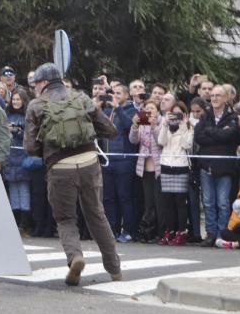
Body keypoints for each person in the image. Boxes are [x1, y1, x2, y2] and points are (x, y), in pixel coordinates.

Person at [23, 62, 120, 286]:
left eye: (35, 83)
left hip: (59, 168)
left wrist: (48, 149)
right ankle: (115, 269)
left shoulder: (36, 106)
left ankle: (75, 257)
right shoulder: (82, 98)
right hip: (89, 163)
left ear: (44, 83)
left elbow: (30, 147)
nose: (34, 87)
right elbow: (109, 130)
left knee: (66, 218)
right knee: (96, 215)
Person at [194, 85, 240, 246]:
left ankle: (222, 233)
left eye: (218, 95)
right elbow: (199, 137)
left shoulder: (233, 117)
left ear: (226, 98)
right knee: (208, 202)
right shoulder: (205, 115)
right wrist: (218, 133)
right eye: (212, 95)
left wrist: (211, 132)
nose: (214, 98)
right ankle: (211, 233)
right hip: (206, 166)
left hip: (225, 167)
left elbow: (230, 136)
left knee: (223, 202)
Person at [102, 83, 137, 243]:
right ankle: (112, 228)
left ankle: (128, 229)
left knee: (124, 197)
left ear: (126, 95)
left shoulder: (134, 110)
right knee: (109, 197)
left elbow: (131, 126)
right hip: (108, 159)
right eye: (113, 93)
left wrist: (119, 108)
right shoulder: (108, 111)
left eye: (118, 93)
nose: (114, 96)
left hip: (125, 159)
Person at [156, 101, 192, 245]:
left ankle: (181, 231)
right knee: (167, 201)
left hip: (180, 165)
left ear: (184, 114)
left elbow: (186, 145)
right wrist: (165, 125)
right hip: (166, 164)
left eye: (179, 114)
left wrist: (183, 126)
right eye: (173, 114)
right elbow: (161, 141)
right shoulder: (166, 126)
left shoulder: (189, 127)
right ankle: (169, 230)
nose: (175, 117)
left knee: (179, 201)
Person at [129, 99, 163, 243]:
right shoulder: (142, 124)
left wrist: (154, 126)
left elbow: (161, 141)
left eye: (152, 108)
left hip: (159, 167)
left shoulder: (162, 122)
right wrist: (135, 126)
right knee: (148, 202)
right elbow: (133, 140)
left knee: (159, 202)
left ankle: (160, 232)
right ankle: (148, 231)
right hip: (145, 167)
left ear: (157, 111)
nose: (149, 111)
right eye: (146, 109)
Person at [4, 89, 32, 234]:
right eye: (13, 99)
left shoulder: (28, 116)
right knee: (13, 190)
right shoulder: (7, 115)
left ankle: (25, 222)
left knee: (24, 190)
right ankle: (15, 220)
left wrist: (19, 132)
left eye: (18, 99)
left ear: (23, 100)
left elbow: (31, 136)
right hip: (10, 155)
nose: (15, 102)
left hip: (23, 155)